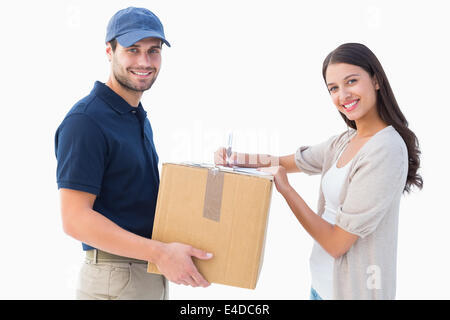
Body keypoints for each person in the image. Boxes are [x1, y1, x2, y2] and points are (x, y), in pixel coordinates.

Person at [215, 43, 422, 300]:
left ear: (376, 80)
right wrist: (234, 159)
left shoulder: (385, 150)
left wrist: (287, 191)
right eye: (333, 88)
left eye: (351, 81)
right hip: (321, 288)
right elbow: (284, 161)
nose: (343, 94)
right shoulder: (344, 141)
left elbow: (336, 244)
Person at [55, 7, 212, 300]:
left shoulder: (134, 116)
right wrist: (161, 253)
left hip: (143, 272)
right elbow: (74, 218)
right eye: (133, 50)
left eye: (153, 51)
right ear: (109, 51)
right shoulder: (86, 121)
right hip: (117, 274)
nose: (144, 61)